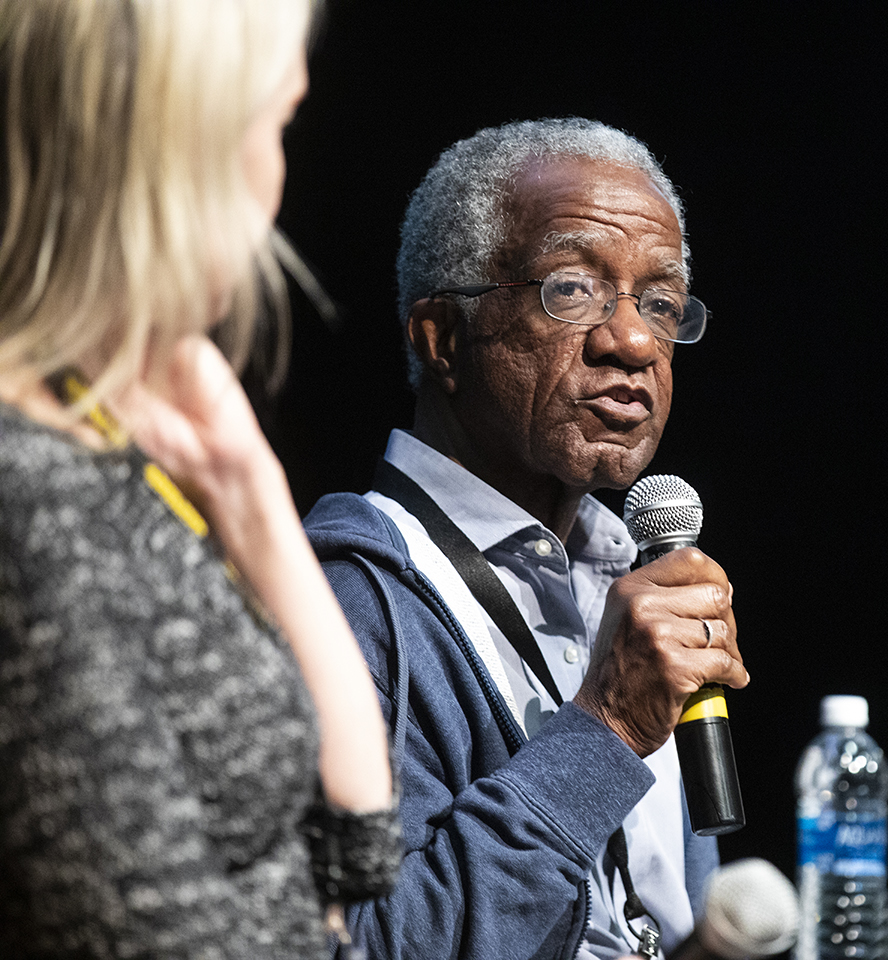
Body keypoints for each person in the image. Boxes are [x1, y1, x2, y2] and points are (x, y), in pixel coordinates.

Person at [0, 1, 398, 956]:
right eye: (277, 124)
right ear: (183, 147)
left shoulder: (106, 443)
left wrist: (250, 493)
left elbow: (362, 840)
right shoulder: (30, 501)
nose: (279, 177)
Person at [304, 117, 747, 960]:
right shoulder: (346, 605)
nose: (634, 341)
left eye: (660, 302)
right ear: (442, 339)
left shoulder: (633, 579)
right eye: (573, 289)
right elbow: (377, 946)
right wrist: (609, 726)